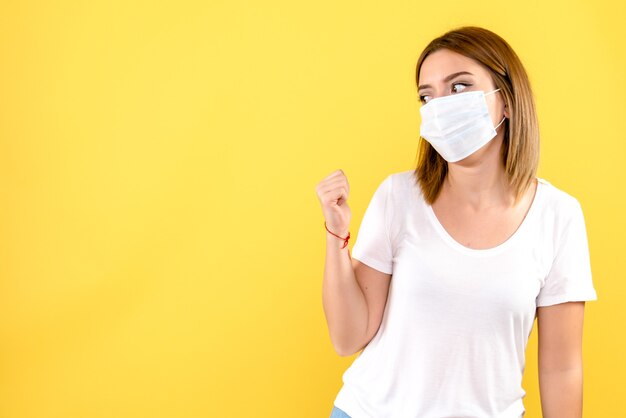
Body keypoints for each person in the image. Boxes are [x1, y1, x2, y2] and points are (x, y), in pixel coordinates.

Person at [315, 26, 598, 418]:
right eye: (426, 95)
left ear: (508, 102)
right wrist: (336, 234)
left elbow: (562, 368)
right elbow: (348, 338)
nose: (439, 106)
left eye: (459, 87)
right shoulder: (399, 197)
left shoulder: (558, 217)